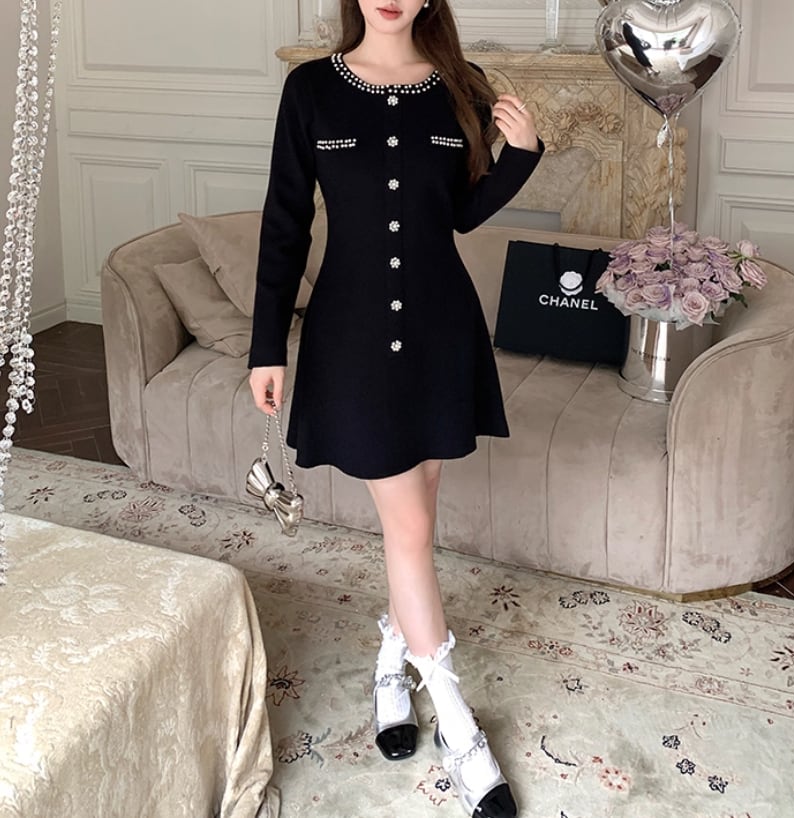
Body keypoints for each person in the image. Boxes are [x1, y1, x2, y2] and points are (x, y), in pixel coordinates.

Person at [248, 1, 542, 815]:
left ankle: (390, 662)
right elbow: (285, 219)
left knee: (414, 524)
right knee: (409, 531)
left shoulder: (461, 86)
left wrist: (522, 156)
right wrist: (267, 344)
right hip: (352, 340)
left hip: (441, 330)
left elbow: (460, 211)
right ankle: (457, 721)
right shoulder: (311, 89)